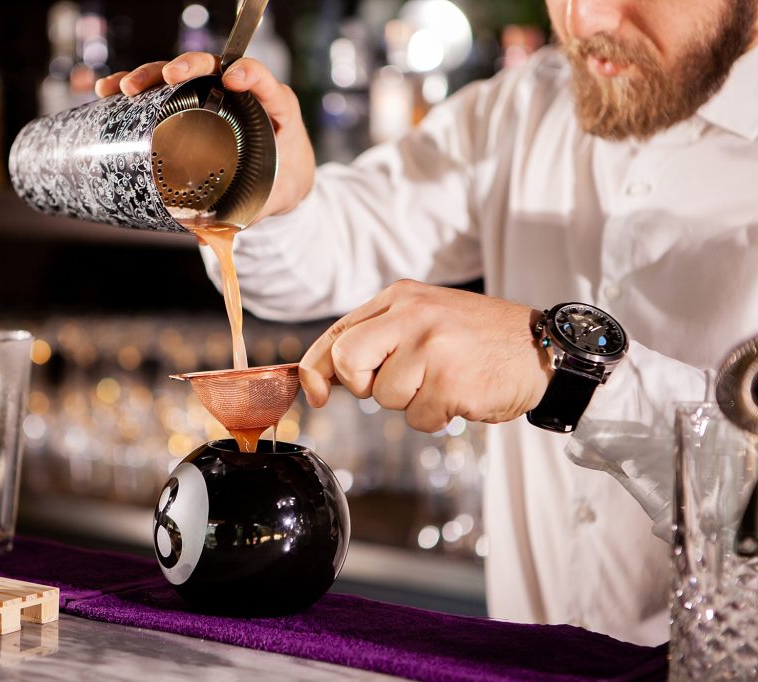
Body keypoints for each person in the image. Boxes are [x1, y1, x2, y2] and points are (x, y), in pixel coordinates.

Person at [96, 0, 758, 645]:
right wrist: (268, 185)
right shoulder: (524, 106)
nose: (585, 20)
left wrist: (568, 377)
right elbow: (324, 252)